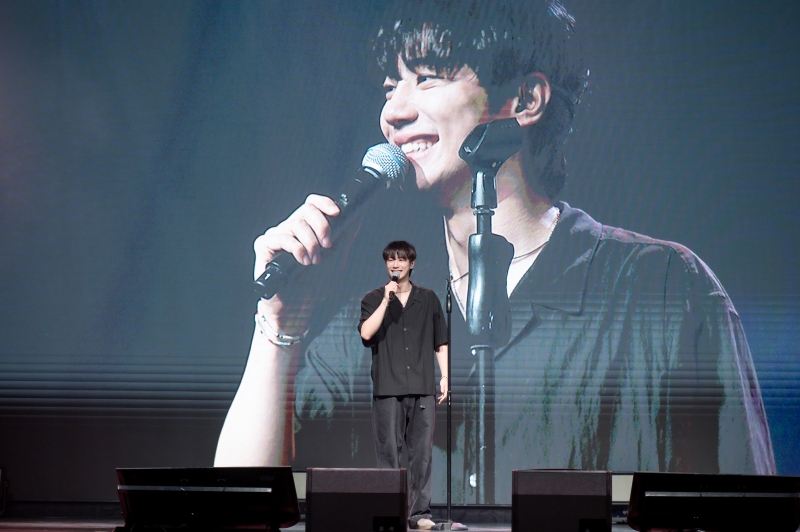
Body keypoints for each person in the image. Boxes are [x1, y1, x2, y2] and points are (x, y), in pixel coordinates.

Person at [214, 0, 775, 504]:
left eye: (427, 78)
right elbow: (239, 505)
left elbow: (744, 511)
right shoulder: (372, 325)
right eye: (389, 87)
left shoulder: (662, 290)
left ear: (525, 99)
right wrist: (280, 324)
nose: (393, 112)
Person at [358, 240, 448, 529]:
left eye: (401, 259)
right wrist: (387, 301)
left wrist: (445, 376)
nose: (395, 264)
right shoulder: (374, 298)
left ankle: (420, 514)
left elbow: (440, 341)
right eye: (390, 260)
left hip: (422, 387)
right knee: (389, 454)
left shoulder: (428, 299)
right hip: (387, 388)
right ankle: (390, 512)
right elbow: (366, 333)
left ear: (411, 263)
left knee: (422, 455)